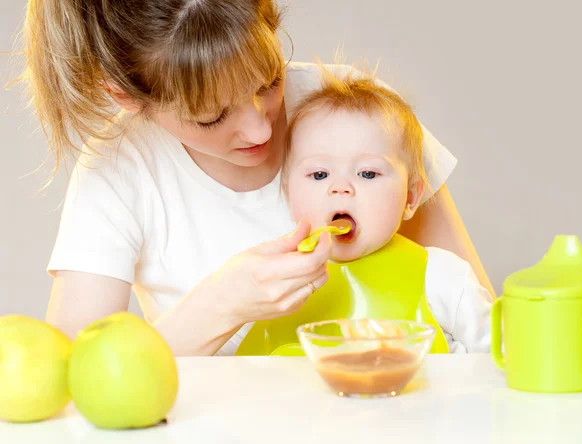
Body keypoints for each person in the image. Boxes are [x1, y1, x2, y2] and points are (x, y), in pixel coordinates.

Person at [22, 0, 494, 356]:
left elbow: (475, 322)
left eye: (268, 81)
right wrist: (223, 304)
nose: (261, 128)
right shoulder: (119, 168)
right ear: (125, 97)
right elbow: (78, 381)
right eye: (211, 117)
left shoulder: (356, 112)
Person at [274, 69, 491, 352]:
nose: (341, 187)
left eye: (367, 173)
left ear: (411, 198)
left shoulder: (440, 276)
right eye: (319, 175)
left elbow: (505, 360)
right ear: (289, 197)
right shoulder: (279, 282)